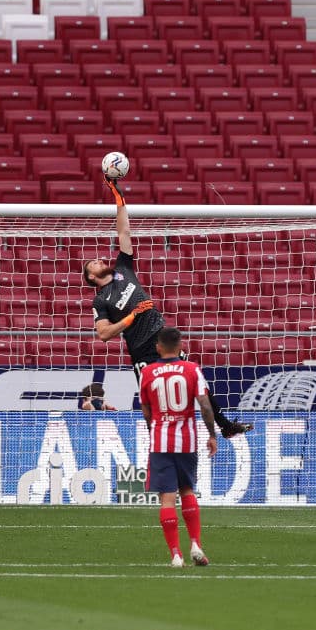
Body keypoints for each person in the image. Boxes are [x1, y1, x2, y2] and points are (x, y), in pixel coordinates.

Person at [83, 176, 251, 438]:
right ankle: (156, 441)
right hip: (141, 349)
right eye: (92, 263)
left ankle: (224, 425)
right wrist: (132, 316)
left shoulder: (123, 270)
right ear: (91, 278)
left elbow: (123, 231)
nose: (98, 259)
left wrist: (118, 196)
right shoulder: (100, 300)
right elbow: (103, 334)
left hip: (161, 336)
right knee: (152, 399)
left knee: (195, 380)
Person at [139, 327, 217, 567]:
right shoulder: (192, 369)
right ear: (181, 346)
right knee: (187, 491)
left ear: (158, 347)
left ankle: (175, 554)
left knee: (167, 500)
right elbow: (204, 405)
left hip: (161, 441)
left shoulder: (148, 372)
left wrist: (156, 428)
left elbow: (146, 409)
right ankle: (195, 543)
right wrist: (212, 435)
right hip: (187, 441)